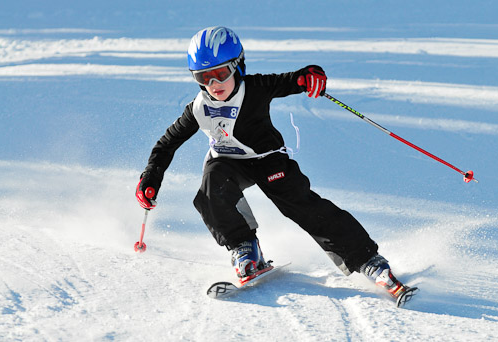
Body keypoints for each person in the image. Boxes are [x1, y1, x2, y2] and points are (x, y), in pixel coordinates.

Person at [136, 26, 409, 299]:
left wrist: (309, 76)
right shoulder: (198, 107)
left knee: (301, 206)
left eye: (221, 74)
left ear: (238, 67)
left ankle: (367, 260)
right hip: (227, 162)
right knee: (210, 192)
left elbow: (292, 79)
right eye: (204, 77)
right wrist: (150, 178)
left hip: (267, 159)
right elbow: (166, 145)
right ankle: (244, 248)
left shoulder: (254, 88)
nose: (214, 84)